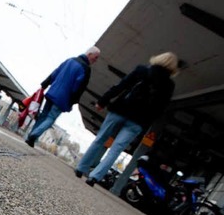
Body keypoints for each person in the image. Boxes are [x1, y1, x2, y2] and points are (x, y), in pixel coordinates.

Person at [75, 52, 179, 186]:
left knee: (100, 139)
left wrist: (103, 101)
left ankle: (81, 167)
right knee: (116, 149)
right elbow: (160, 109)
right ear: (173, 68)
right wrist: (145, 124)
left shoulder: (142, 70)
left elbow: (121, 86)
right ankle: (94, 177)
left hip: (120, 110)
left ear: (158, 59)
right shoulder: (169, 85)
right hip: (137, 122)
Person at [25, 46, 100, 147]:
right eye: (96, 57)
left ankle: (30, 138)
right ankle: (34, 135)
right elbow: (78, 88)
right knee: (50, 118)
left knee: (43, 115)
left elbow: (56, 72)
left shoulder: (70, 60)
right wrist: (72, 102)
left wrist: (45, 84)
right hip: (63, 98)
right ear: (89, 54)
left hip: (52, 92)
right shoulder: (85, 69)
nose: (96, 60)